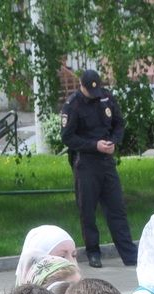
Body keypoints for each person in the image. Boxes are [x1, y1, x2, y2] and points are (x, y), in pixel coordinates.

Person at [60, 69, 139, 269]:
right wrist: (94, 145)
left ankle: (129, 255)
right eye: (90, 91)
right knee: (87, 211)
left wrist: (113, 141)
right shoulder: (73, 105)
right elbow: (67, 137)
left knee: (117, 209)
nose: (94, 95)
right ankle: (93, 252)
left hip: (106, 162)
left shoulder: (106, 97)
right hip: (85, 163)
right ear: (81, 86)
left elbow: (119, 123)